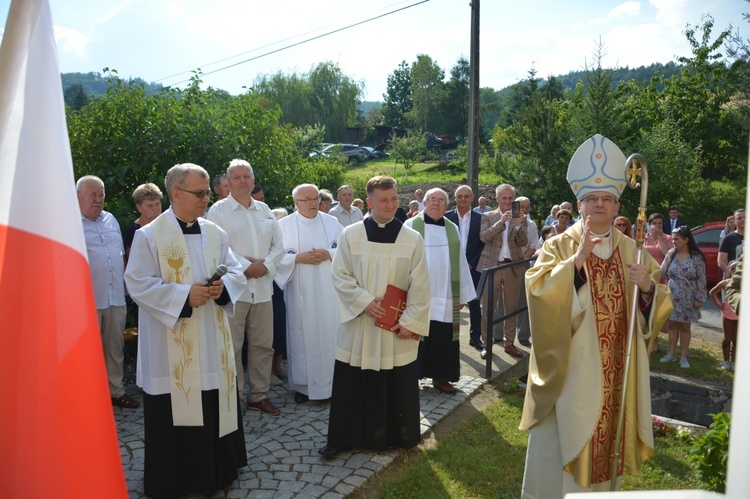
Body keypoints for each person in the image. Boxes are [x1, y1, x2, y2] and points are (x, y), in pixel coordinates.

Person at [521, 134, 672, 497]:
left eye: (606, 199)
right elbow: (537, 292)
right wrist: (576, 264)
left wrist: (648, 290)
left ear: (618, 205)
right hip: (571, 372)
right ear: (579, 203)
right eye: (592, 199)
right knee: (560, 452)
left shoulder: (632, 250)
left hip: (616, 371)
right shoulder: (559, 245)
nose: (599, 205)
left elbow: (659, 304)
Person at [124, 163, 248, 497]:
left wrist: (223, 287)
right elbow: (136, 282)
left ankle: (218, 470)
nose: (207, 198)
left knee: (212, 398)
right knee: (177, 403)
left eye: (208, 191)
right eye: (201, 192)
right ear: (176, 193)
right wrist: (182, 296)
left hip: (211, 341)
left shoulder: (215, 232)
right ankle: (175, 477)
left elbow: (236, 271)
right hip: (170, 346)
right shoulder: (149, 236)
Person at [319, 175, 430, 458]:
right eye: (384, 200)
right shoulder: (351, 234)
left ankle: (397, 437)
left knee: (396, 380)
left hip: (395, 326)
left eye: (394, 199)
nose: (391, 205)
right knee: (351, 380)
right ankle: (344, 438)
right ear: (369, 202)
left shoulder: (412, 238)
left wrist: (409, 323)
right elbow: (339, 275)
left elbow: (421, 285)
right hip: (360, 324)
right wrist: (365, 302)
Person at [207, 159, 284, 416]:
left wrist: (265, 266)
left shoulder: (264, 210)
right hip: (234, 288)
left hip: (262, 288)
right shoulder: (217, 212)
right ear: (227, 183)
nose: (242, 181)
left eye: (247, 176)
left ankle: (258, 396)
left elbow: (278, 246)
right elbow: (218, 247)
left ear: (253, 179)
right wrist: (244, 267)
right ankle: (234, 397)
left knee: (263, 344)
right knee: (233, 345)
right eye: (237, 177)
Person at [275, 184, 343, 403]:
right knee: (301, 336)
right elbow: (274, 258)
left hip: (328, 292)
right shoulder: (283, 226)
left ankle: (333, 386)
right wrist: (296, 258)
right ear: (296, 203)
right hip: (299, 294)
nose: (313, 203)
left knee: (329, 334)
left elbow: (346, 251)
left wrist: (328, 253)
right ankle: (303, 388)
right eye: (307, 200)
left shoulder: (332, 222)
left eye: (315, 198)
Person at [77, 175, 139, 410]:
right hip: (87, 300)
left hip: (114, 296)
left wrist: (126, 287)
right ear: (78, 197)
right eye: (92, 194)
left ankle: (116, 392)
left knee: (115, 348)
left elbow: (120, 256)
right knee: (87, 351)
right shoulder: (69, 223)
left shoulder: (110, 219)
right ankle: (88, 396)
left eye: (101, 194)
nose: (98, 199)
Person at [407, 188, 476, 393]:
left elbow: (461, 262)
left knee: (443, 338)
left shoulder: (452, 228)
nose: (436, 203)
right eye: (432, 200)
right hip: (417, 294)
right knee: (415, 334)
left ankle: (441, 378)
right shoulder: (410, 226)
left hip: (446, 293)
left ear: (446, 206)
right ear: (425, 203)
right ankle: (411, 377)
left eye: (441, 200)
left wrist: (462, 294)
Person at [476, 183, 529, 360]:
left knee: (511, 308)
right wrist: (501, 223)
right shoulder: (488, 216)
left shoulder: (522, 218)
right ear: (497, 198)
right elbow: (484, 237)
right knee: (488, 309)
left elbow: (523, 242)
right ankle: (486, 344)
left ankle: (509, 343)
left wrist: (519, 225)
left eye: (510, 198)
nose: (507, 201)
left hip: (512, 267)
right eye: (504, 198)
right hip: (492, 267)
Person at [660, 226, 707, 368]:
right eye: (673, 238)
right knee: (673, 324)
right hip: (673, 295)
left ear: (686, 240)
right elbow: (661, 271)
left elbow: (702, 279)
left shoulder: (697, 257)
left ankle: (684, 357)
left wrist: (700, 298)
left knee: (685, 327)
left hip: (689, 297)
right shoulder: (671, 254)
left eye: (676, 239)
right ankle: (671, 354)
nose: (673, 241)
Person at [445, 185, 486, 352]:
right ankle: (449, 339)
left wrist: (471, 263)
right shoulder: (445, 217)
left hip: (473, 267)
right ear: (455, 198)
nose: (462, 199)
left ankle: (475, 338)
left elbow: (483, 243)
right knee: (450, 304)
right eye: (459, 196)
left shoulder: (481, 218)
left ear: (472, 198)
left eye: (466, 196)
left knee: (475, 304)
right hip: (450, 267)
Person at [515, 196, 539, 348]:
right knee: (500, 302)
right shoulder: (507, 221)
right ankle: (497, 335)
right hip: (505, 264)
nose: (523, 210)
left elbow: (533, 247)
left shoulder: (531, 225)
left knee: (523, 302)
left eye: (526, 207)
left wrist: (520, 261)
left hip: (523, 264)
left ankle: (523, 335)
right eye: (521, 207)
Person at [709, 260, 739, 371]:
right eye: (734, 271)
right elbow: (712, 292)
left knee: (736, 339)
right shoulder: (725, 283)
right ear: (730, 272)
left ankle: (734, 362)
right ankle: (726, 361)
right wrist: (718, 303)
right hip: (727, 314)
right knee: (727, 338)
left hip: (739, 316)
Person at [124, 182, 163, 261]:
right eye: (150, 205)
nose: (155, 209)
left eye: (157, 204)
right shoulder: (133, 231)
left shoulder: (168, 225)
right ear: (139, 207)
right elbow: (132, 263)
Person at [718, 208, 745, 277]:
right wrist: (731, 274)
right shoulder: (728, 238)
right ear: (735, 222)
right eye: (739, 218)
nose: (743, 220)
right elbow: (721, 261)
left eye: (745, 217)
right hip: (735, 279)